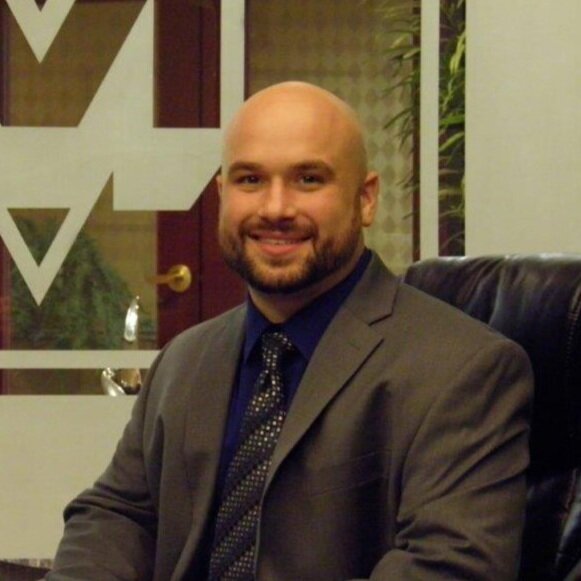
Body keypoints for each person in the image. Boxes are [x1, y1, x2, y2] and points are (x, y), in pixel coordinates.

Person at [47, 82, 533, 580]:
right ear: (222, 196)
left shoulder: (463, 370)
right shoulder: (185, 359)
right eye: (250, 180)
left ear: (366, 199)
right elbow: (118, 515)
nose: (275, 208)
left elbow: (449, 568)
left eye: (308, 179)